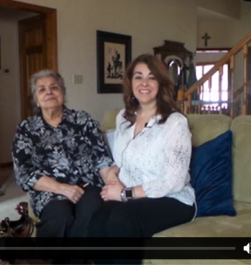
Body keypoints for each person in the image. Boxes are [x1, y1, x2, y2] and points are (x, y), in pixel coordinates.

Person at [87, 54, 196, 263]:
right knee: (97, 220)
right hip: (130, 196)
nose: (144, 83)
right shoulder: (123, 118)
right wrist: (112, 175)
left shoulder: (175, 123)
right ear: (131, 83)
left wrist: (124, 194)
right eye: (138, 77)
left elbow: (174, 181)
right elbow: (120, 159)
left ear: (161, 83)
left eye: (151, 77)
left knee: (122, 219)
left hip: (172, 199)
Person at [12, 69, 119, 240]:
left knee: (91, 211)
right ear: (36, 101)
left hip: (88, 185)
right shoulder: (26, 129)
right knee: (59, 217)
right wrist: (62, 189)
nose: (49, 92)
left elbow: (102, 158)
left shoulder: (83, 120)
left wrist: (113, 184)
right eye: (42, 89)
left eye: (54, 87)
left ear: (63, 93)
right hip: (49, 191)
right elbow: (24, 173)